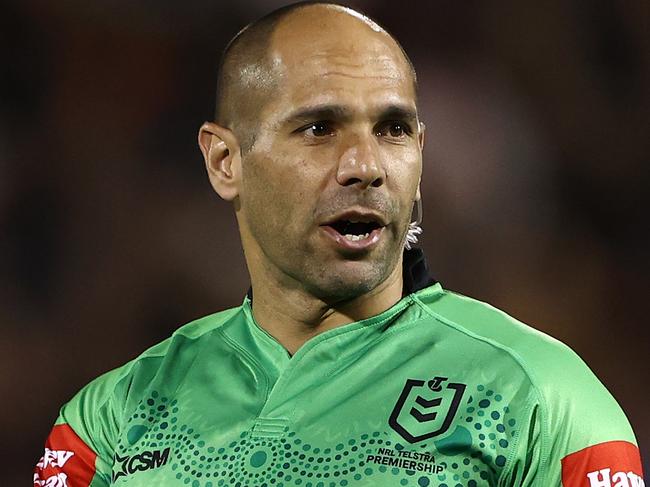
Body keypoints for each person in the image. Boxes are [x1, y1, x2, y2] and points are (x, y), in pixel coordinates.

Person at [34, 2, 644, 486]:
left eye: (393, 129)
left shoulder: (538, 396)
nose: (366, 166)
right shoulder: (111, 419)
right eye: (319, 128)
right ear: (225, 160)